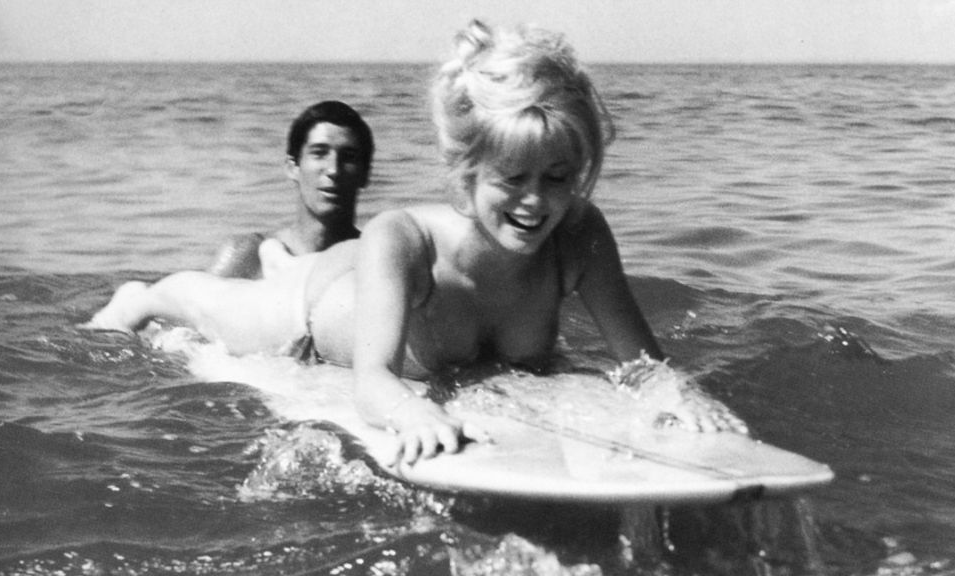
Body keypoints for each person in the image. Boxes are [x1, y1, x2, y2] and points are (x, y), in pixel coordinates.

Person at [87, 20, 745, 464]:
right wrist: (407, 411)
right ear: (467, 171)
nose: (536, 202)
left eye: (558, 178)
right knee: (199, 301)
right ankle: (137, 297)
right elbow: (372, 380)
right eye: (512, 179)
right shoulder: (404, 238)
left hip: (373, 282)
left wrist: (676, 393)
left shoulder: (579, 235)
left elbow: (642, 361)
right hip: (318, 310)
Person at [207, 100, 374, 278]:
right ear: (292, 167)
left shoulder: (376, 259)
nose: (333, 170)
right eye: (319, 153)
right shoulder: (250, 255)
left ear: (365, 174)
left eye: (348, 157)